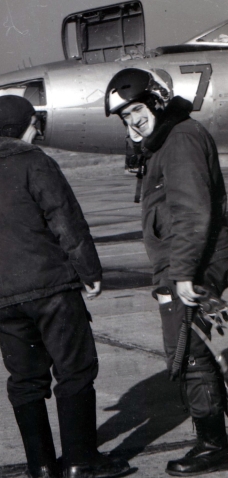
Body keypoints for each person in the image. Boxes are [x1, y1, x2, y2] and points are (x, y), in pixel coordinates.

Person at [0, 95, 129, 478]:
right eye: (36, 123)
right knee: (75, 371)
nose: (39, 130)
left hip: (4, 301)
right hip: (51, 290)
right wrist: (90, 271)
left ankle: (42, 467)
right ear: (25, 125)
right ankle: (81, 461)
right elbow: (65, 219)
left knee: (26, 382)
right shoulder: (35, 163)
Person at [105, 68, 228, 476]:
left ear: (156, 101)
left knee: (191, 353)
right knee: (197, 351)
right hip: (184, 262)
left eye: (136, 110)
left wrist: (182, 274)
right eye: (126, 117)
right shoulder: (165, 141)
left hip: (194, 263)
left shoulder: (180, 140)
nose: (133, 121)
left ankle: (213, 445)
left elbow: (192, 212)